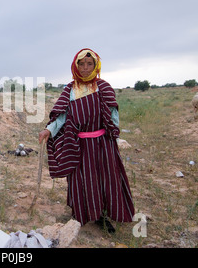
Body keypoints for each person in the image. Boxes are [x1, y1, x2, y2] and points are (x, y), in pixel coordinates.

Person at [38, 48, 134, 233]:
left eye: (90, 64)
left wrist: (115, 137)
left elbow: (112, 115)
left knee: (104, 179)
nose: (85, 68)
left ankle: (101, 216)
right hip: (78, 145)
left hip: (103, 144)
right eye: (81, 64)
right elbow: (61, 116)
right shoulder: (70, 89)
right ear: (76, 65)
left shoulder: (103, 87)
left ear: (96, 65)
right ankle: (79, 214)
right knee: (80, 180)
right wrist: (48, 130)